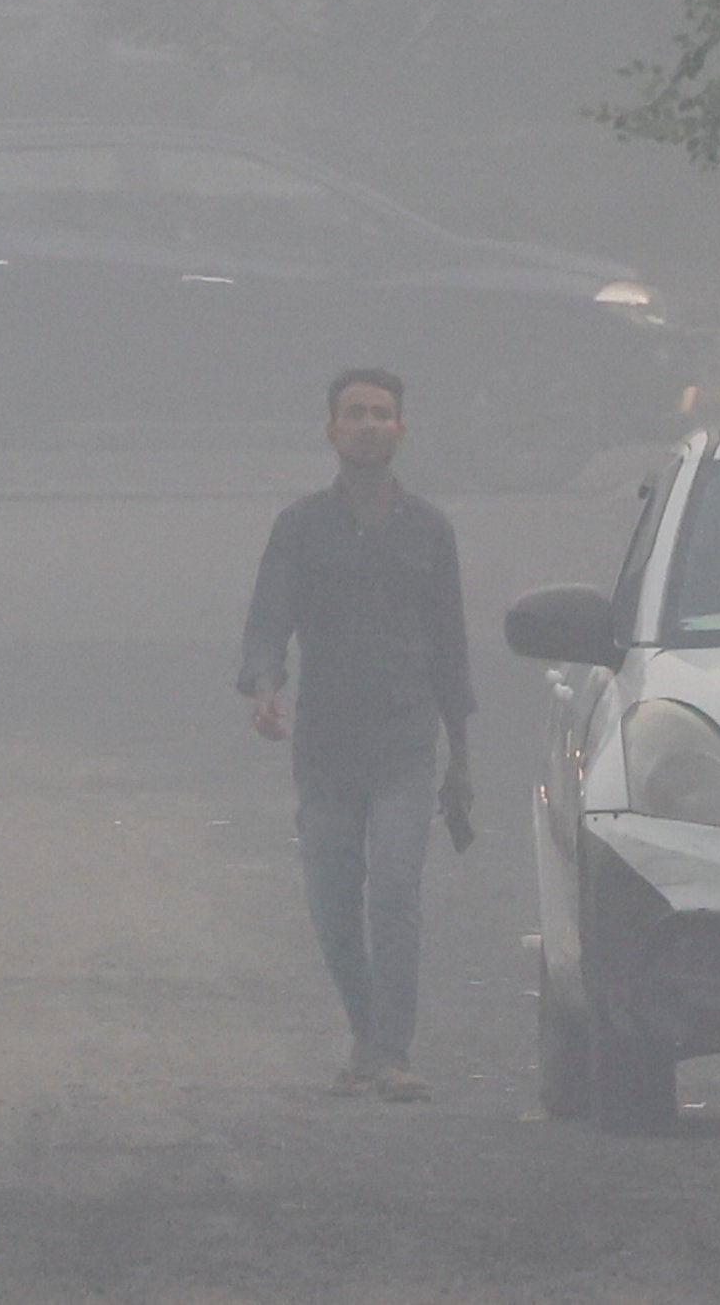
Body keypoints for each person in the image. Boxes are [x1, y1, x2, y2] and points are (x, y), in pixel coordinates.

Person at [238, 367, 477, 1100]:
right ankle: (368, 1037)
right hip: (326, 746)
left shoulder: (431, 530)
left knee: (394, 893)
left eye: (382, 413)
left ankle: (390, 1052)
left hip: (406, 742)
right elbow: (270, 619)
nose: (369, 424)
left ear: (401, 430)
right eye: (355, 413)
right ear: (332, 430)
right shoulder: (301, 527)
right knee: (334, 900)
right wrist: (267, 685)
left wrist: (459, 762)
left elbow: (451, 649)